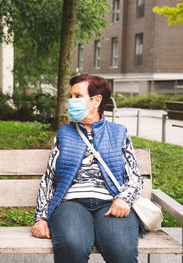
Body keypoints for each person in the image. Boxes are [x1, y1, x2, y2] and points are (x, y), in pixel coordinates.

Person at [31, 74, 143, 263]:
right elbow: (50, 178)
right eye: (71, 96)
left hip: (111, 203)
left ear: (96, 100)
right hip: (71, 204)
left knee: (122, 252)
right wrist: (40, 218)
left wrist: (124, 199)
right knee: (72, 247)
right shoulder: (64, 134)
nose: (71, 101)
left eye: (77, 96)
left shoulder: (119, 133)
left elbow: (135, 177)